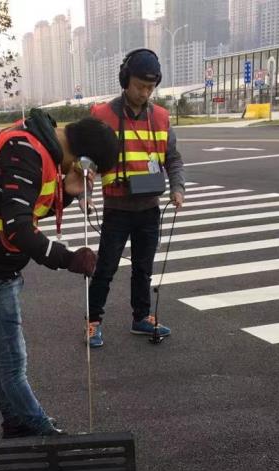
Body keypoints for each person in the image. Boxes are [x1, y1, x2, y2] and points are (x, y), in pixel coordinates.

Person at [0, 109, 119, 438]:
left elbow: (28, 207)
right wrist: (68, 259)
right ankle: (41, 430)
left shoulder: (39, 144)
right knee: (12, 362)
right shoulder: (27, 152)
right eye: (93, 171)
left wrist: (70, 191)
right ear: (83, 160)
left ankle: (15, 422)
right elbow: (18, 228)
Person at [87, 49, 185, 348]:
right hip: (117, 208)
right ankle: (93, 322)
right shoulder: (102, 115)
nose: (145, 93)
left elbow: (173, 158)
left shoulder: (161, 118)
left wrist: (178, 188)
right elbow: (87, 161)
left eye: (150, 87)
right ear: (125, 80)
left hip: (149, 209)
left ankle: (141, 317)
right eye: (140, 86)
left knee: (144, 267)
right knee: (106, 268)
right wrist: (85, 193)